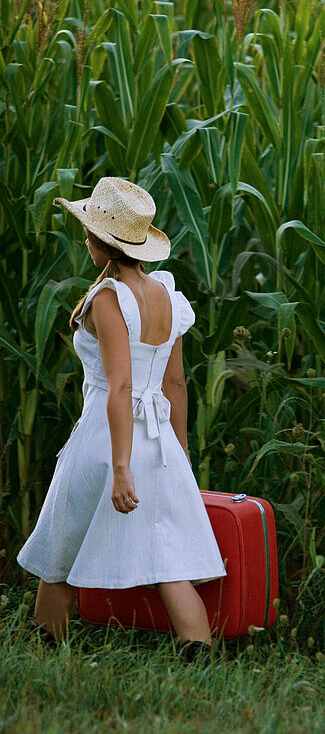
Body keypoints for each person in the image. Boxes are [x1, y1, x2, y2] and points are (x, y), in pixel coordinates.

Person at [16, 176, 227, 662]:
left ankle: (47, 653)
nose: (84, 239)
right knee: (169, 559)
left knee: (60, 551)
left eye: (86, 232)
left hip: (107, 438)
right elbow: (175, 384)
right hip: (160, 441)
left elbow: (120, 388)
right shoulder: (168, 297)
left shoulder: (108, 298)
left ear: (100, 241)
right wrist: (179, 451)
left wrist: (122, 466)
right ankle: (201, 660)